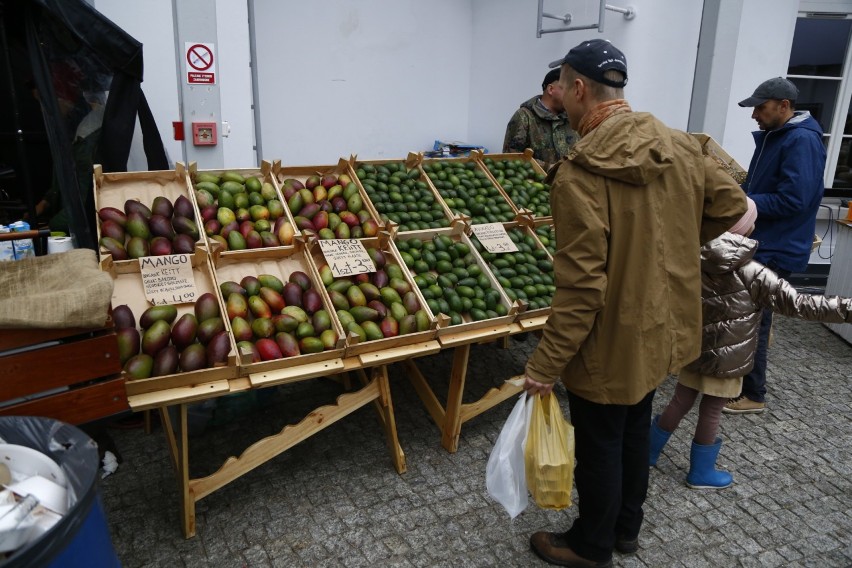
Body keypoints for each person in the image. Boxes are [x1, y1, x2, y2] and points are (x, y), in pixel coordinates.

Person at [520, 39, 747, 567]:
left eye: (563, 89)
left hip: (607, 341)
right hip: (660, 326)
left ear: (578, 89)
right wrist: (674, 242)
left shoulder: (579, 174)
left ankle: (592, 546)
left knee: (601, 444)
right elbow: (733, 202)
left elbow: (581, 289)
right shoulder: (678, 143)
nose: (563, 100)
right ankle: (626, 530)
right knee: (630, 430)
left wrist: (544, 366)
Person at [650, 198, 852, 489]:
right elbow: (800, 303)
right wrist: (846, 308)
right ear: (746, 230)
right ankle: (701, 472)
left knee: (680, 400)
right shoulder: (754, 272)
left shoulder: (693, 258)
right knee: (712, 410)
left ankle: (648, 451)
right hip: (729, 359)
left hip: (694, 349)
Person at [724, 77, 827, 415]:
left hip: (777, 245)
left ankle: (753, 394)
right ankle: (740, 383)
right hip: (765, 241)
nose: (754, 114)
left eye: (760, 107)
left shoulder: (800, 140)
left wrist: (744, 202)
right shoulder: (779, 134)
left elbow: (794, 199)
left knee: (756, 320)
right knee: (751, 315)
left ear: (784, 106)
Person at [502, 68, 578, 170]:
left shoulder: (573, 116)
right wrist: (550, 168)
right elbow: (511, 159)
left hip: (570, 184)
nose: (573, 94)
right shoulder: (525, 117)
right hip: (538, 184)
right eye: (568, 89)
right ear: (551, 89)